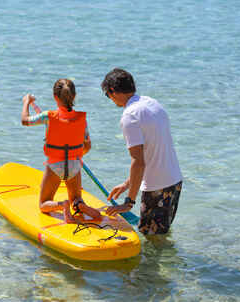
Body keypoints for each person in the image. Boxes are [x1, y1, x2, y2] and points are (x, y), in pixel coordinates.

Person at [101, 68, 183, 236]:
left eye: (107, 95)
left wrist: (128, 202)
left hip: (156, 188)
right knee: (161, 237)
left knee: (153, 242)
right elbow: (153, 151)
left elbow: (138, 161)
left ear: (112, 92)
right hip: (174, 181)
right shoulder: (152, 103)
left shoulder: (129, 116)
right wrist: (127, 184)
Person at [21, 79, 101, 223]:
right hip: (74, 165)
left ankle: (62, 205)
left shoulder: (48, 116)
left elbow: (25, 120)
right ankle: (79, 205)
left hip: (55, 166)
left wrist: (26, 101)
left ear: (55, 97)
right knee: (76, 198)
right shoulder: (81, 118)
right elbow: (87, 145)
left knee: (43, 204)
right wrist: (75, 156)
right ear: (74, 96)